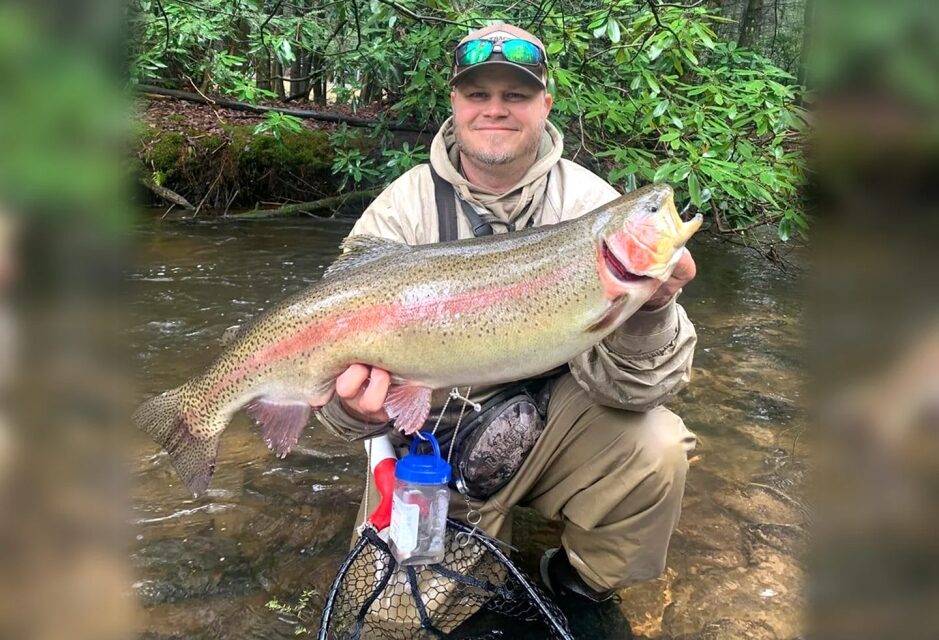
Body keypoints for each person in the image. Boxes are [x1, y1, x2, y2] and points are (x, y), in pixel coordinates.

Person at [314, 22, 698, 603]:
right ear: (454, 104)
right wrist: (353, 409)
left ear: (545, 103)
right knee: (394, 618)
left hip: (553, 424)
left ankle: (577, 583)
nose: (496, 109)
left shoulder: (591, 207)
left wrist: (648, 310)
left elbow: (639, 391)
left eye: (515, 95)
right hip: (432, 446)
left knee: (658, 449)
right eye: (479, 95)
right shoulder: (400, 211)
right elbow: (338, 409)